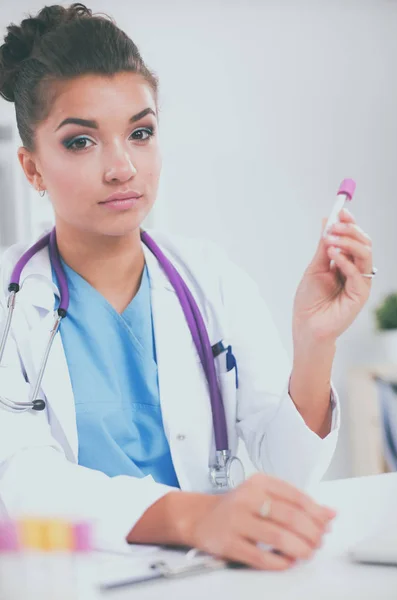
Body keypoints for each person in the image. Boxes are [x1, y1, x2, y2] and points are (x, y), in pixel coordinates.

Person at [0, 3, 375, 570]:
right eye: (82, 141)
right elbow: (23, 483)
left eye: (140, 132)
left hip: (205, 576)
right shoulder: (10, 305)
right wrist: (195, 516)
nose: (122, 167)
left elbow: (289, 474)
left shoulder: (211, 279)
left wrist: (315, 341)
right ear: (32, 169)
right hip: (65, 577)